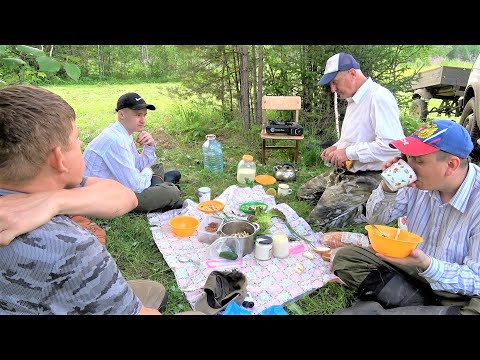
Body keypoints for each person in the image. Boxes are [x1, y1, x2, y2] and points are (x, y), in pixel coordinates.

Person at [0, 84, 199, 314]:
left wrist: (53, 200)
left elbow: (125, 196)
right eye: (77, 140)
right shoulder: (70, 245)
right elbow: (133, 189)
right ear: (58, 158)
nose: (82, 145)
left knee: (150, 289)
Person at [332, 120, 480, 315]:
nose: (409, 167)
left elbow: (476, 280)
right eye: (407, 157)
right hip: (417, 273)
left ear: (451, 165)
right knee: (347, 258)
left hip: (463, 292)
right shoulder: (415, 182)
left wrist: (428, 265)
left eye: (418, 161)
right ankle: (426, 308)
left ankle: (415, 306)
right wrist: (388, 186)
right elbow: (376, 220)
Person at [297, 52, 405, 229]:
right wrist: (336, 147)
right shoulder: (354, 99)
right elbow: (354, 137)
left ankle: (370, 209)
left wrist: (347, 152)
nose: (333, 89)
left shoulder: (378, 97)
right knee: (305, 193)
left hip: (369, 177)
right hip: (346, 171)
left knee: (317, 221)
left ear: (352, 73)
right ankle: (340, 196)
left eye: (335, 82)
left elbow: (392, 146)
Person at [83, 92, 182, 213]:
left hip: (119, 183)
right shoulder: (115, 139)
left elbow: (137, 165)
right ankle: (165, 191)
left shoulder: (123, 134)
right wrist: (148, 171)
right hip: (104, 198)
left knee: (157, 167)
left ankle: (160, 190)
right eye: (138, 115)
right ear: (121, 114)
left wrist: (150, 146)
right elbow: (137, 187)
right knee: (172, 191)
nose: (143, 120)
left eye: (145, 115)